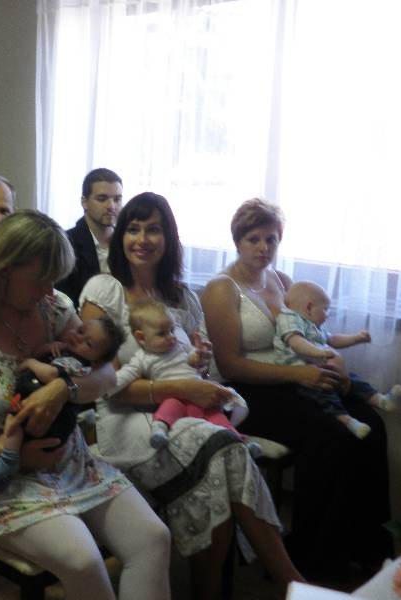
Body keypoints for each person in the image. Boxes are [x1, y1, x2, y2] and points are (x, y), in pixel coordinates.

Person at [0, 209, 171, 600]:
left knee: (153, 539)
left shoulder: (54, 308)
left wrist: (63, 389)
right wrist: (8, 453)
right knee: (82, 560)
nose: (48, 289)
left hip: (70, 464)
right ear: (2, 268)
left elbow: (107, 376)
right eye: (40, 279)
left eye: (54, 278)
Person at [79, 192, 302, 599]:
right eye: (132, 229)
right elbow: (103, 384)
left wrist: (198, 366)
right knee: (224, 447)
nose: (141, 239)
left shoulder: (183, 298)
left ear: (169, 238)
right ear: (121, 236)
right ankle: (292, 584)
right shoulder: (104, 291)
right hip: (126, 420)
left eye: (153, 229)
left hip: (186, 415)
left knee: (219, 458)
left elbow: (200, 370)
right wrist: (179, 387)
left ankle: (230, 588)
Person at [200, 198, 392, 582]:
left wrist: (332, 365)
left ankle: (366, 543)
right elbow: (231, 364)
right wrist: (299, 376)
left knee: (370, 422)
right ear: (237, 241)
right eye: (253, 239)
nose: (263, 248)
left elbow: (311, 336)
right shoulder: (222, 289)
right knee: (329, 434)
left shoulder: (281, 281)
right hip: (245, 392)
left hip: (292, 378)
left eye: (271, 239)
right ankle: (312, 557)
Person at [0, 314, 124, 497]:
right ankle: (5, 465)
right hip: (33, 413)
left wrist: (31, 362)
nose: (78, 337)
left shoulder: (77, 363)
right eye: (80, 331)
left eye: (88, 343)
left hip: (50, 421)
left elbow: (51, 374)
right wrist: (46, 349)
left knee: (14, 426)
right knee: (12, 427)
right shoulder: (65, 349)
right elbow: (43, 358)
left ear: (97, 360)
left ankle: (7, 463)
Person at [119, 299, 256, 454]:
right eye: (162, 333)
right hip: (176, 396)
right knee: (170, 405)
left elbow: (192, 360)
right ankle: (159, 430)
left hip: (201, 398)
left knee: (218, 418)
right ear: (141, 338)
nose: (171, 336)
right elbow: (126, 374)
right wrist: (111, 386)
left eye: (172, 330)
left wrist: (199, 356)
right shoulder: (142, 358)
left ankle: (240, 442)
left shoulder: (179, 347)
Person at [275, 280, 401, 438]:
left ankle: (381, 400)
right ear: (309, 307)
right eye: (325, 309)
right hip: (299, 376)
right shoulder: (289, 317)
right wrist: (320, 352)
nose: (327, 315)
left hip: (319, 369)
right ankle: (349, 422)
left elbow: (333, 339)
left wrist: (356, 338)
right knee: (324, 396)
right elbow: (296, 343)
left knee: (354, 380)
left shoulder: (314, 326)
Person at [57, 168, 123, 307]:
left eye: (117, 199)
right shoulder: (65, 243)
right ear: (84, 202)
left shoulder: (127, 242)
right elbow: (62, 300)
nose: (111, 206)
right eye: (102, 199)